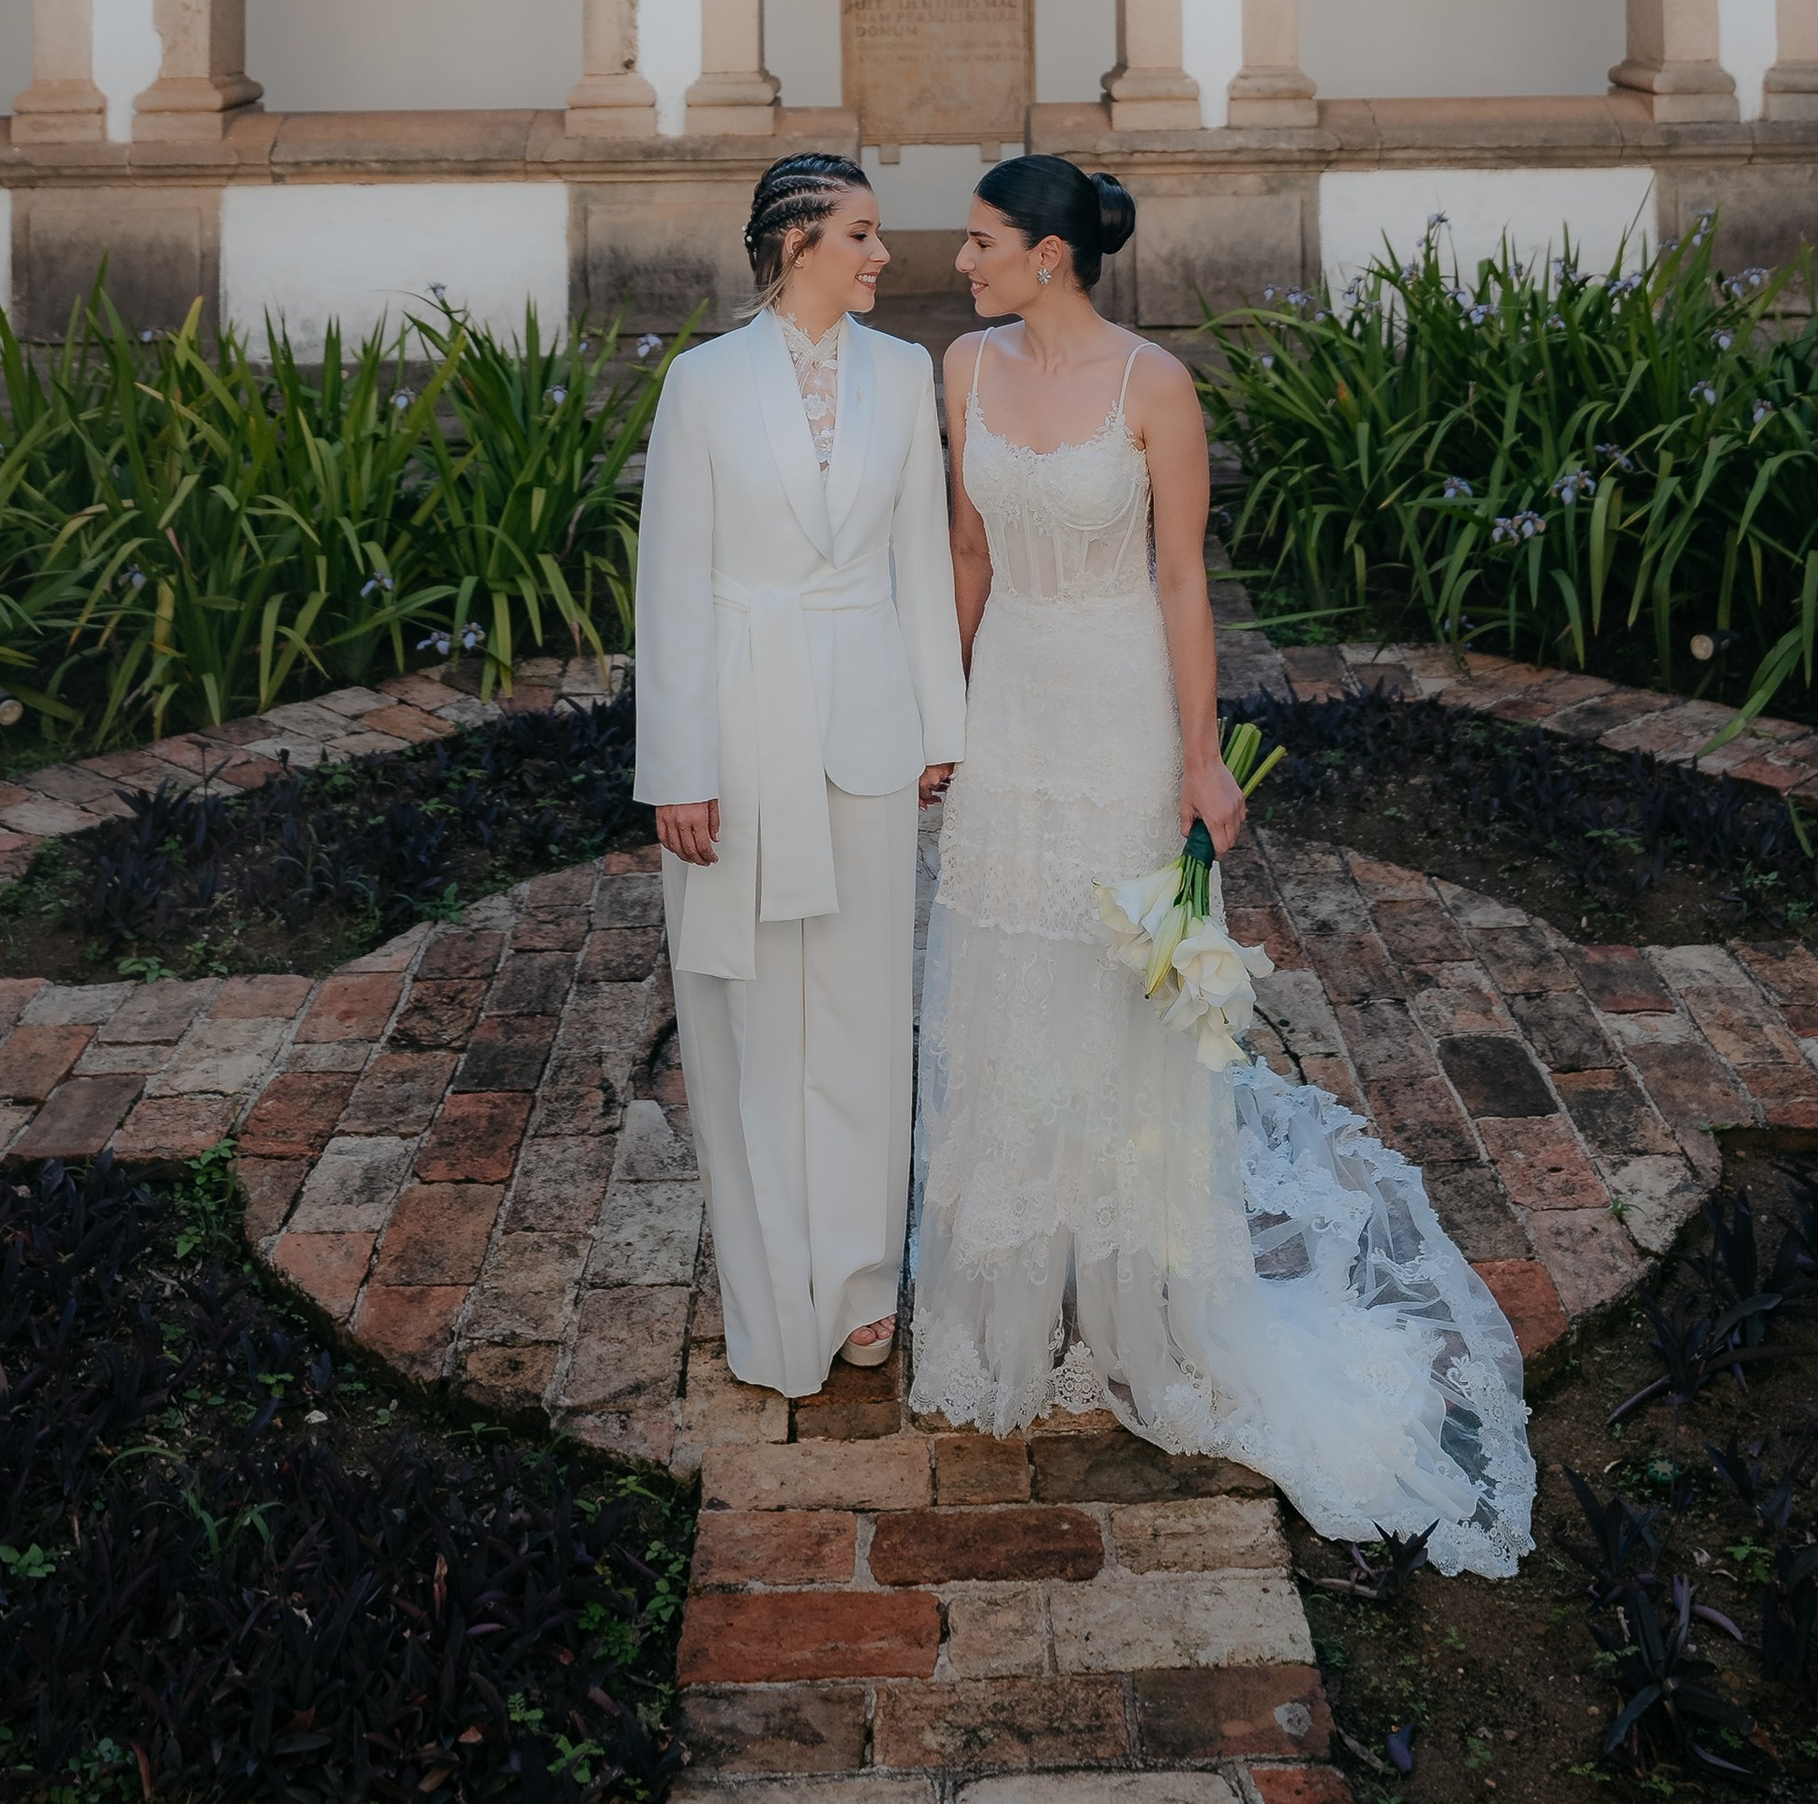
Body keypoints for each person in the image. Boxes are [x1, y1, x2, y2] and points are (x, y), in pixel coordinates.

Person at [907, 152, 1535, 1564]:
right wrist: (939, 717)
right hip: (1009, 713)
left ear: (1051, 255)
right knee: (1004, 986)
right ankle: (1006, 1294)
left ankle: (1137, 1296)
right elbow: (967, 552)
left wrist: (1200, 759)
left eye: (983, 240)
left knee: (1114, 995)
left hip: (1120, 711)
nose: (963, 260)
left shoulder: (1155, 387)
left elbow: (1184, 580)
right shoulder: (963, 369)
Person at [635, 150, 965, 1398]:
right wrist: (678, 767)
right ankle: (776, 1292)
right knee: (752, 1019)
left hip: (869, 726)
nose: (884, 254)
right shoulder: (703, 382)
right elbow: (670, 584)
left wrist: (940, 727)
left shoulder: (904, 371)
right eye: (862, 234)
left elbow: (918, 558)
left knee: (866, 1011)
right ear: (795, 243)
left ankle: (864, 1280)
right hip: (738, 728)